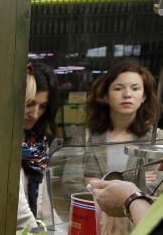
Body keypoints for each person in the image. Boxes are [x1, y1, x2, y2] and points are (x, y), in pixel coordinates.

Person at [62, 59, 161, 198]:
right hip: (94, 218)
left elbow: (156, 190)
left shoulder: (156, 138)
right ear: (105, 96)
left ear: (144, 96)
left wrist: (93, 183)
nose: (127, 94)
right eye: (118, 88)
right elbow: (69, 186)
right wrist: (130, 193)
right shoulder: (83, 135)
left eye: (135, 88)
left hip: (139, 219)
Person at [20, 63, 59, 226]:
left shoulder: (38, 143)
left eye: (42, 107)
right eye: (30, 104)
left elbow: (44, 206)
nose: (35, 114)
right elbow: (20, 215)